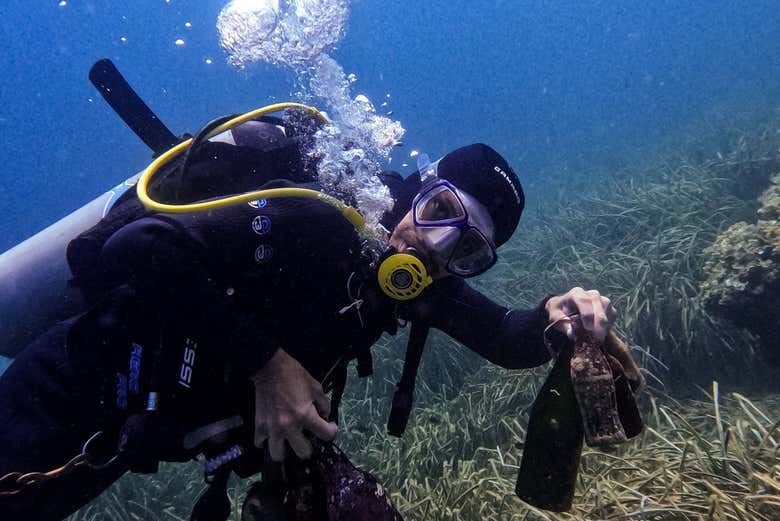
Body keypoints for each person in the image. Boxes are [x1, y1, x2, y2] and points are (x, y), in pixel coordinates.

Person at [0, 114, 633, 520]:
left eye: (468, 251)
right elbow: (136, 247)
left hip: (127, 437)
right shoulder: (324, 221)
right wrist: (268, 367)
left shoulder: (414, 284)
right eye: (441, 211)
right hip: (70, 386)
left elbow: (501, 335)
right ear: (418, 186)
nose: (436, 248)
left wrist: (560, 316)